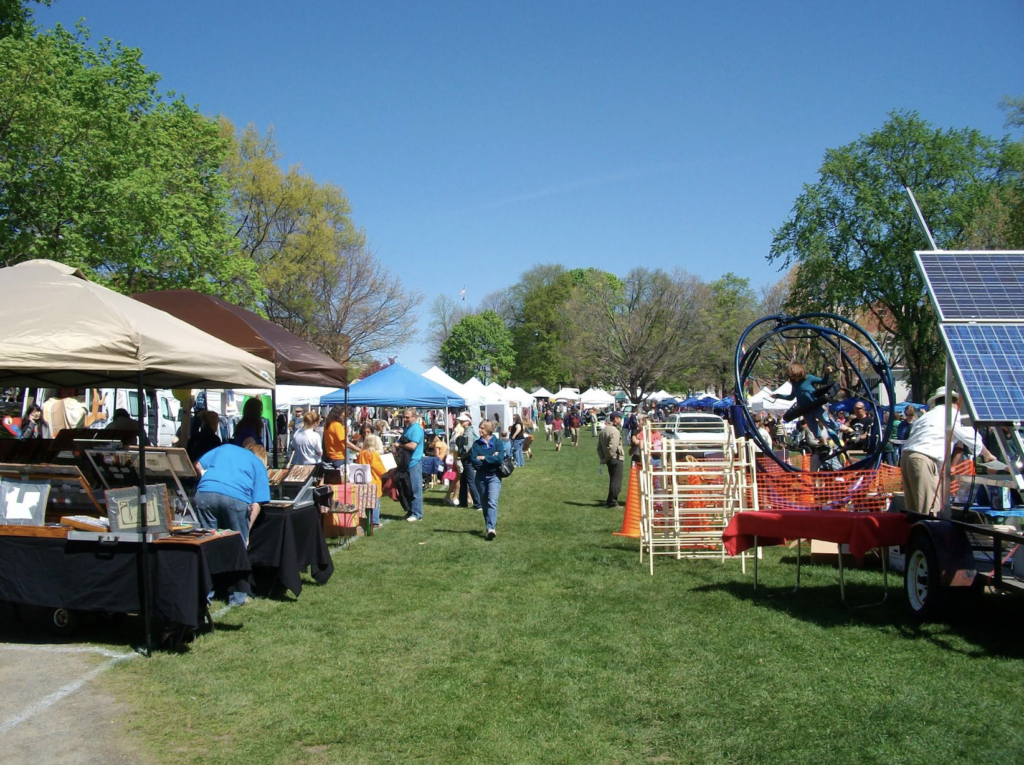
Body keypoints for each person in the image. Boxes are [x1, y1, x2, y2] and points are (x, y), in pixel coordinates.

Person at [900, 386, 995, 516]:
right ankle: (930, 535)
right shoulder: (950, 414)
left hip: (907, 457)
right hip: (923, 458)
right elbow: (970, 437)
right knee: (930, 511)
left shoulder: (927, 416)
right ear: (954, 402)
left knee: (913, 512)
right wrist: (987, 455)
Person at [471, 419, 505, 540]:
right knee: (484, 503)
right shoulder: (476, 444)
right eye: (480, 428)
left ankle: (491, 528)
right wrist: (491, 459)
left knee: (492, 501)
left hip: (494, 476)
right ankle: (488, 525)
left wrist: (484, 458)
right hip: (480, 477)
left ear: (489, 430)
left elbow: (500, 459)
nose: (480, 430)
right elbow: (474, 461)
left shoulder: (498, 443)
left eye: (482, 428)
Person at [395, 408, 425, 521]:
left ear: (414, 417)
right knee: (407, 489)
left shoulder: (417, 429)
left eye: (407, 417)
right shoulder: (407, 428)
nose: (405, 419)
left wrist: (400, 446)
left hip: (414, 463)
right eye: (404, 417)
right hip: (405, 463)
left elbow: (413, 446)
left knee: (416, 490)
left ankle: (417, 514)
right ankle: (410, 511)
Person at [356, 427, 387, 527]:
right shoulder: (373, 454)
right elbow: (380, 469)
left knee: (365, 501)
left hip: (363, 480)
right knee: (375, 502)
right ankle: (375, 521)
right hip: (373, 480)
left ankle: (365, 520)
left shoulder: (361, 453)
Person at [597, 411, 625, 507]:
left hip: (609, 459)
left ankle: (610, 500)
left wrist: (603, 458)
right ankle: (612, 501)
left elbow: (599, 448)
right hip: (616, 458)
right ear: (615, 418)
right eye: (619, 418)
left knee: (613, 480)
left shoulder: (604, 430)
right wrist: (608, 457)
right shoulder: (614, 431)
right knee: (616, 482)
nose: (620, 420)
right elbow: (613, 446)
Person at [455, 412, 482, 509]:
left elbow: (468, 446)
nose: (461, 421)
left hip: (468, 459)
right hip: (466, 458)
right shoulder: (467, 430)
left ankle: (478, 503)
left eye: (463, 420)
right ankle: (463, 502)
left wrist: (462, 456)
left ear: (467, 421)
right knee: (464, 480)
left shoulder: (468, 431)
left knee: (470, 481)